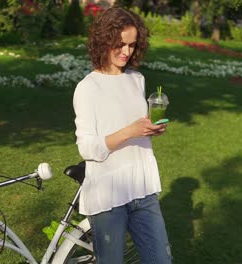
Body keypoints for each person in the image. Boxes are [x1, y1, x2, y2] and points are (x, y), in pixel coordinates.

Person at [72, 6, 172, 264]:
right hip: (108, 195)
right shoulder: (87, 88)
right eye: (120, 44)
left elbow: (138, 127)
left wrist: (151, 130)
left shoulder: (136, 79)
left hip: (143, 187)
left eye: (132, 45)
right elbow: (87, 148)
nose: (127, 52)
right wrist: (130, 131)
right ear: (104, 40)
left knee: (160, 260)